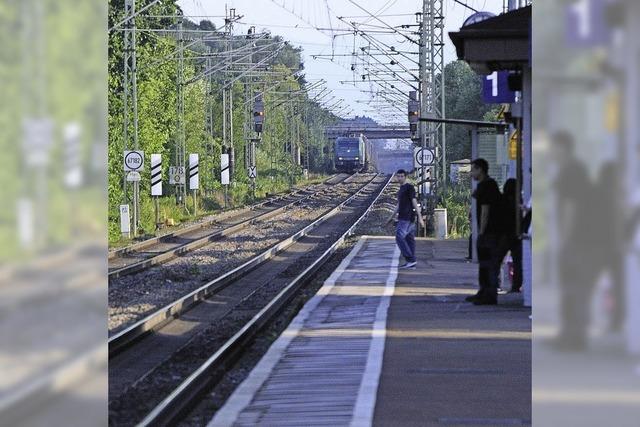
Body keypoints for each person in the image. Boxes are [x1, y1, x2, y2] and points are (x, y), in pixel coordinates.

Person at [465, 158, 504, 305]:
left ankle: (489, 294)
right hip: (490, 232)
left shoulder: (487, 186)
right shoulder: (486, 185)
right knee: (485, 264)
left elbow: (485, 211)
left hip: (490, 232)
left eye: (473, 170)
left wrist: (481, 232)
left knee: (489, 264)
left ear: (480, 169)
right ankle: (483, 292)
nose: (470, 173)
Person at [387, 169, 425, 269]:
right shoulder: (401, 189)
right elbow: (399, 205)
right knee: (409, 240)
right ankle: (411, 262)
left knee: (399, 237)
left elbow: (414, 202)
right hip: (403, 217)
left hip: (407, 218)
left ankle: (410, 259)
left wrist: (420, 217)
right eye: (398, 176)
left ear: (405, 177)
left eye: (401, 176)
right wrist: (391, 217)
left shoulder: (409, 187)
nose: (399, 178)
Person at [497, 178, 523, 293]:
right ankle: (516, 285)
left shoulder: (502, 200)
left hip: (504, 234)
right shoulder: (519, 200)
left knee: (497, 260)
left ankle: (495, 283)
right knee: (518, 262)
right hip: (516, 234)